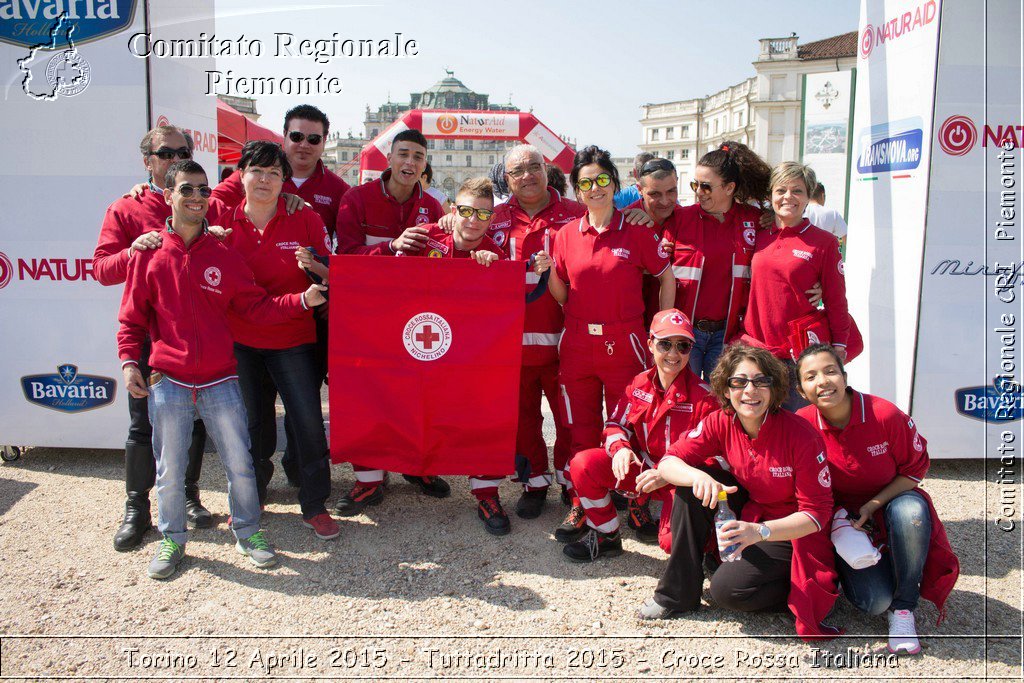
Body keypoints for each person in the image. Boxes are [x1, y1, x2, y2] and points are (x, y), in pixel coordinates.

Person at [118, 159, 326, 579]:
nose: (196, 198)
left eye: (202, 190)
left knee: (240, 463)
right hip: (169, 380)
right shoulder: (149, 253)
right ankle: (172, 538)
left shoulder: (224, 254)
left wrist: (301, 301)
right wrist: (127, 362)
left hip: (220, 378)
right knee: (170, 469)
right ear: (168, 195)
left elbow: (256, 306)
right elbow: (132, 318)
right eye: (186, 190)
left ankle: (249, 531)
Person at [637, 344, 840, 641]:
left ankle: (807, 591)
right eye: (739, 381)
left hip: (791, 531)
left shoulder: (801, 435)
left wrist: (760, 532)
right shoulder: (722, 420)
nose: (750, 391)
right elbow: (669, 460)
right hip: (753, 512)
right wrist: (696, 477)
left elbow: (817, 515)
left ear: (774, 387)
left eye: (761, 381)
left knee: (727, 592)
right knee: (692, 488)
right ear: (726, 387)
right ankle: (677, 594)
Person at [533, 145, 674, 543]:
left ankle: (635, 499)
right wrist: (548, 270)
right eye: (585, 183)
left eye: (601, 180)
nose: (594, 188)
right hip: (578, 341)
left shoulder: (637, 230)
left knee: (629, 428)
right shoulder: (564, 235)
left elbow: (666, 278)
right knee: (581, 427)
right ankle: (583, 499)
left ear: (614, 185)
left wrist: (661, 328)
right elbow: (562, 294)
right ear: (577, 192)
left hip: (625, 343)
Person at [795, 344, 959, 654]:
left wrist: (873, 505)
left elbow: (915, 470)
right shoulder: (801, 423)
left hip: (889, 504)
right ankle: (855, 570)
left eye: (830, 371)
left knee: (910, 510)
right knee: (874, 602)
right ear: (801, 391)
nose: (822, 382)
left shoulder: (884, 415)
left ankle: (904, 608)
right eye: (810, 376)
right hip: (842, 521)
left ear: (845, 377)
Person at [93, 125, 211, 551]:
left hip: (191, 334)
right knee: (143, 425)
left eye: (183, 151)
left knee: (195, 420)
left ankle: (189, 495)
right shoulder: (125, 208)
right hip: (147, 336)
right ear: (147, 161)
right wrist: (133, 252)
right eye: (166, 153)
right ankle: (137, 508)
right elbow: (102, 269)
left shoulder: (200, 199)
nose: (175, 159)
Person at [219, 141, 338, 540]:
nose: (264, 179)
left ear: (285, 180)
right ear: (240, 175)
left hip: (293, 338)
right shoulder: (221, 220)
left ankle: (315, 504)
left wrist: (315, 266)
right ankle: (252, 497)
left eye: (274, 173)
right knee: (252, 425)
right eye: (257, 171)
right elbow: (177, 208)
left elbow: (331, 275)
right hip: (242, 340)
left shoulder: (304, 217)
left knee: (306, 423)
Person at [333, 128, 450, 513]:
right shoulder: (356, 199)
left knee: (421, 396)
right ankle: (368, 480)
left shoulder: (433, 206)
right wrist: (391, 247)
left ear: (425, 163)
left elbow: (443, 264)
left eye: (418, 157)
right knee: (368, 398)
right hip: (367, 321)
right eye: (404, 154)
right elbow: (344, 259)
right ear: (388, 158)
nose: (410, 163)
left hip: (416, 323)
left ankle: (419, 467)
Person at [564, 309, 716, 562]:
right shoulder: (639, 384)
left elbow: (715, 458)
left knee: (670, 543)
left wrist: (669, 473)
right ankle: (606, 536)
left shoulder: (705, 397)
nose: (673, 353)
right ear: (650, 344)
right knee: (582, 464)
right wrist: (621, 448)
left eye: (683, 346)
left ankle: (713, 547)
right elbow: (614, 424)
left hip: (681, 482)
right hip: (644, 472)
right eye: (665, 344)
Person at [405, 177, 511, 535]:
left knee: (481, 417)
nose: (473, 220)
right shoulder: (427, 236)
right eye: (465, 211)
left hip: (471, 357)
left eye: (483, 213)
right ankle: (388, 474)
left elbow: (508, 304)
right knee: (411, 408)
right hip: (425, 348)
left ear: (491, 216)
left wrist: (494, 271)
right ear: (454, 210)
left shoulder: (497, 252)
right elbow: (387, 279)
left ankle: (486, 492)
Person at [741, 162, 850, 411]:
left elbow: (836, 298)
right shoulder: (757, 233)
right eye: (781, 190)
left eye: (797, 191)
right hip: (756, 351)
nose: (788, 197)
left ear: (808, 196)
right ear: (771, 196)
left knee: (798, 430)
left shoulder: (824, 242)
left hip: (798, 357)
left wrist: (840, 346)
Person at [663, 142, 772, 381]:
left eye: (706, 186)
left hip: (728, 336)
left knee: (721, 405)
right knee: (683, 402)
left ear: (730, 187)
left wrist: (811, 284)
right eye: (695, 185)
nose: (698, 192)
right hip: (684, 335)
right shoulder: (679, 218)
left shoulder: (755, 221)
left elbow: (786, 250)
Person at [803, 182, 848, 249]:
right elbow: (847, 238)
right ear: (822, 195)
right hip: (824, 255)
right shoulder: (832, 213)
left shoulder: (800, 211)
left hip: (802, 255)